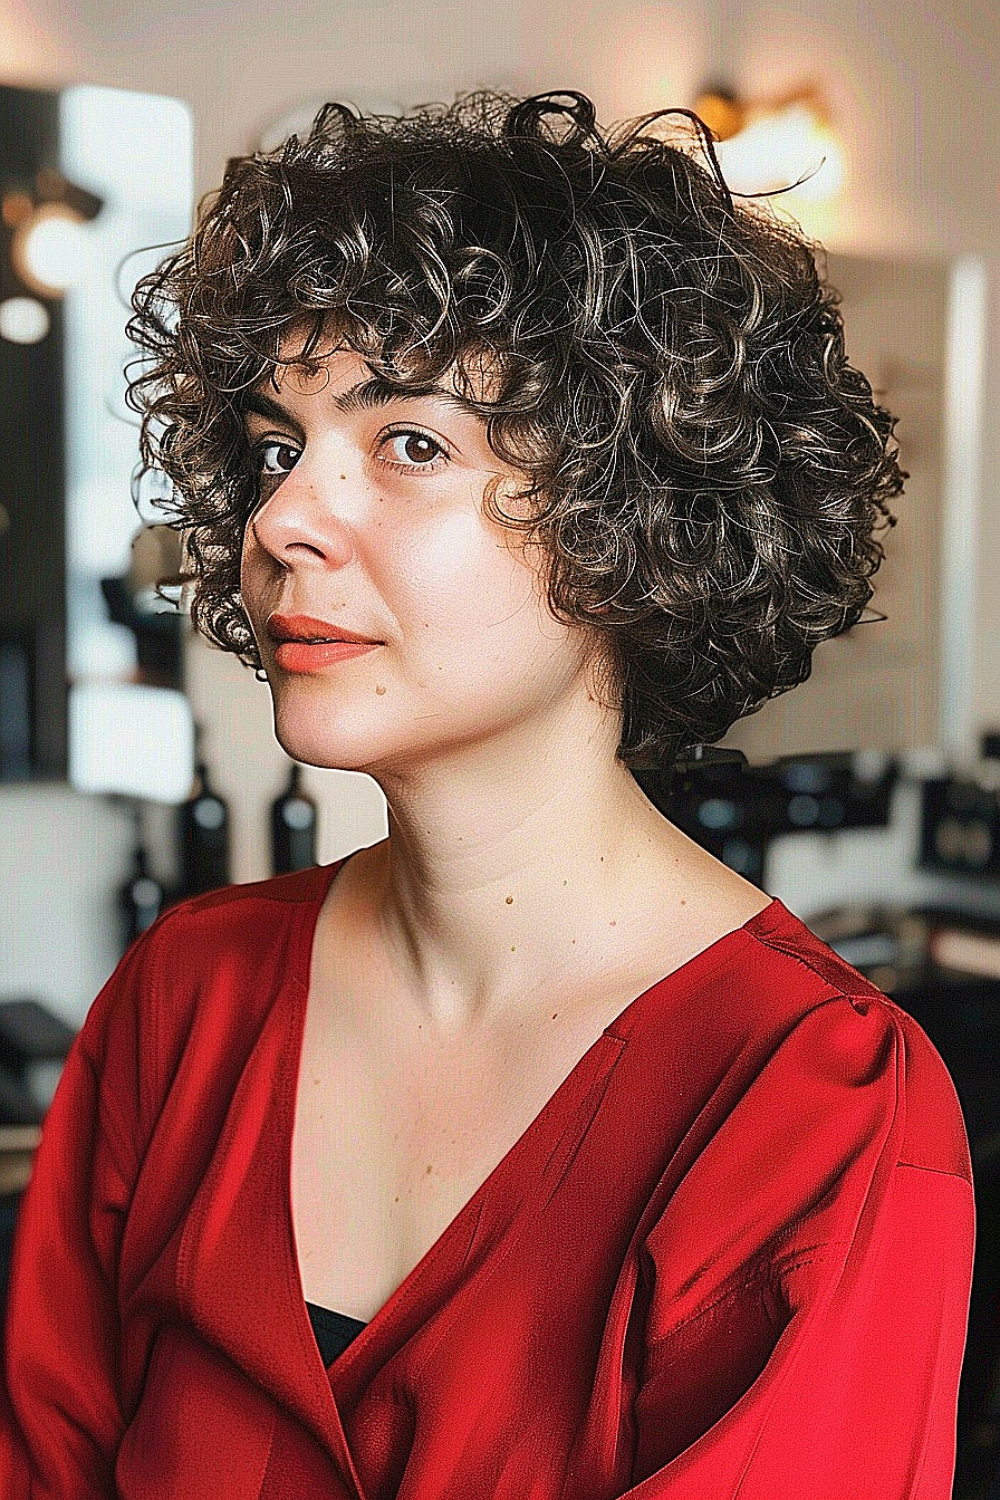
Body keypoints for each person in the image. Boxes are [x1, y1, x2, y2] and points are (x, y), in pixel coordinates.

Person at [1, 89, 974, 1498]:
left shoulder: (814, 1110)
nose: (278, 521)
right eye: (278, 447)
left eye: (410, 444)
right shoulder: (186, 1003)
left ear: (632, 516)